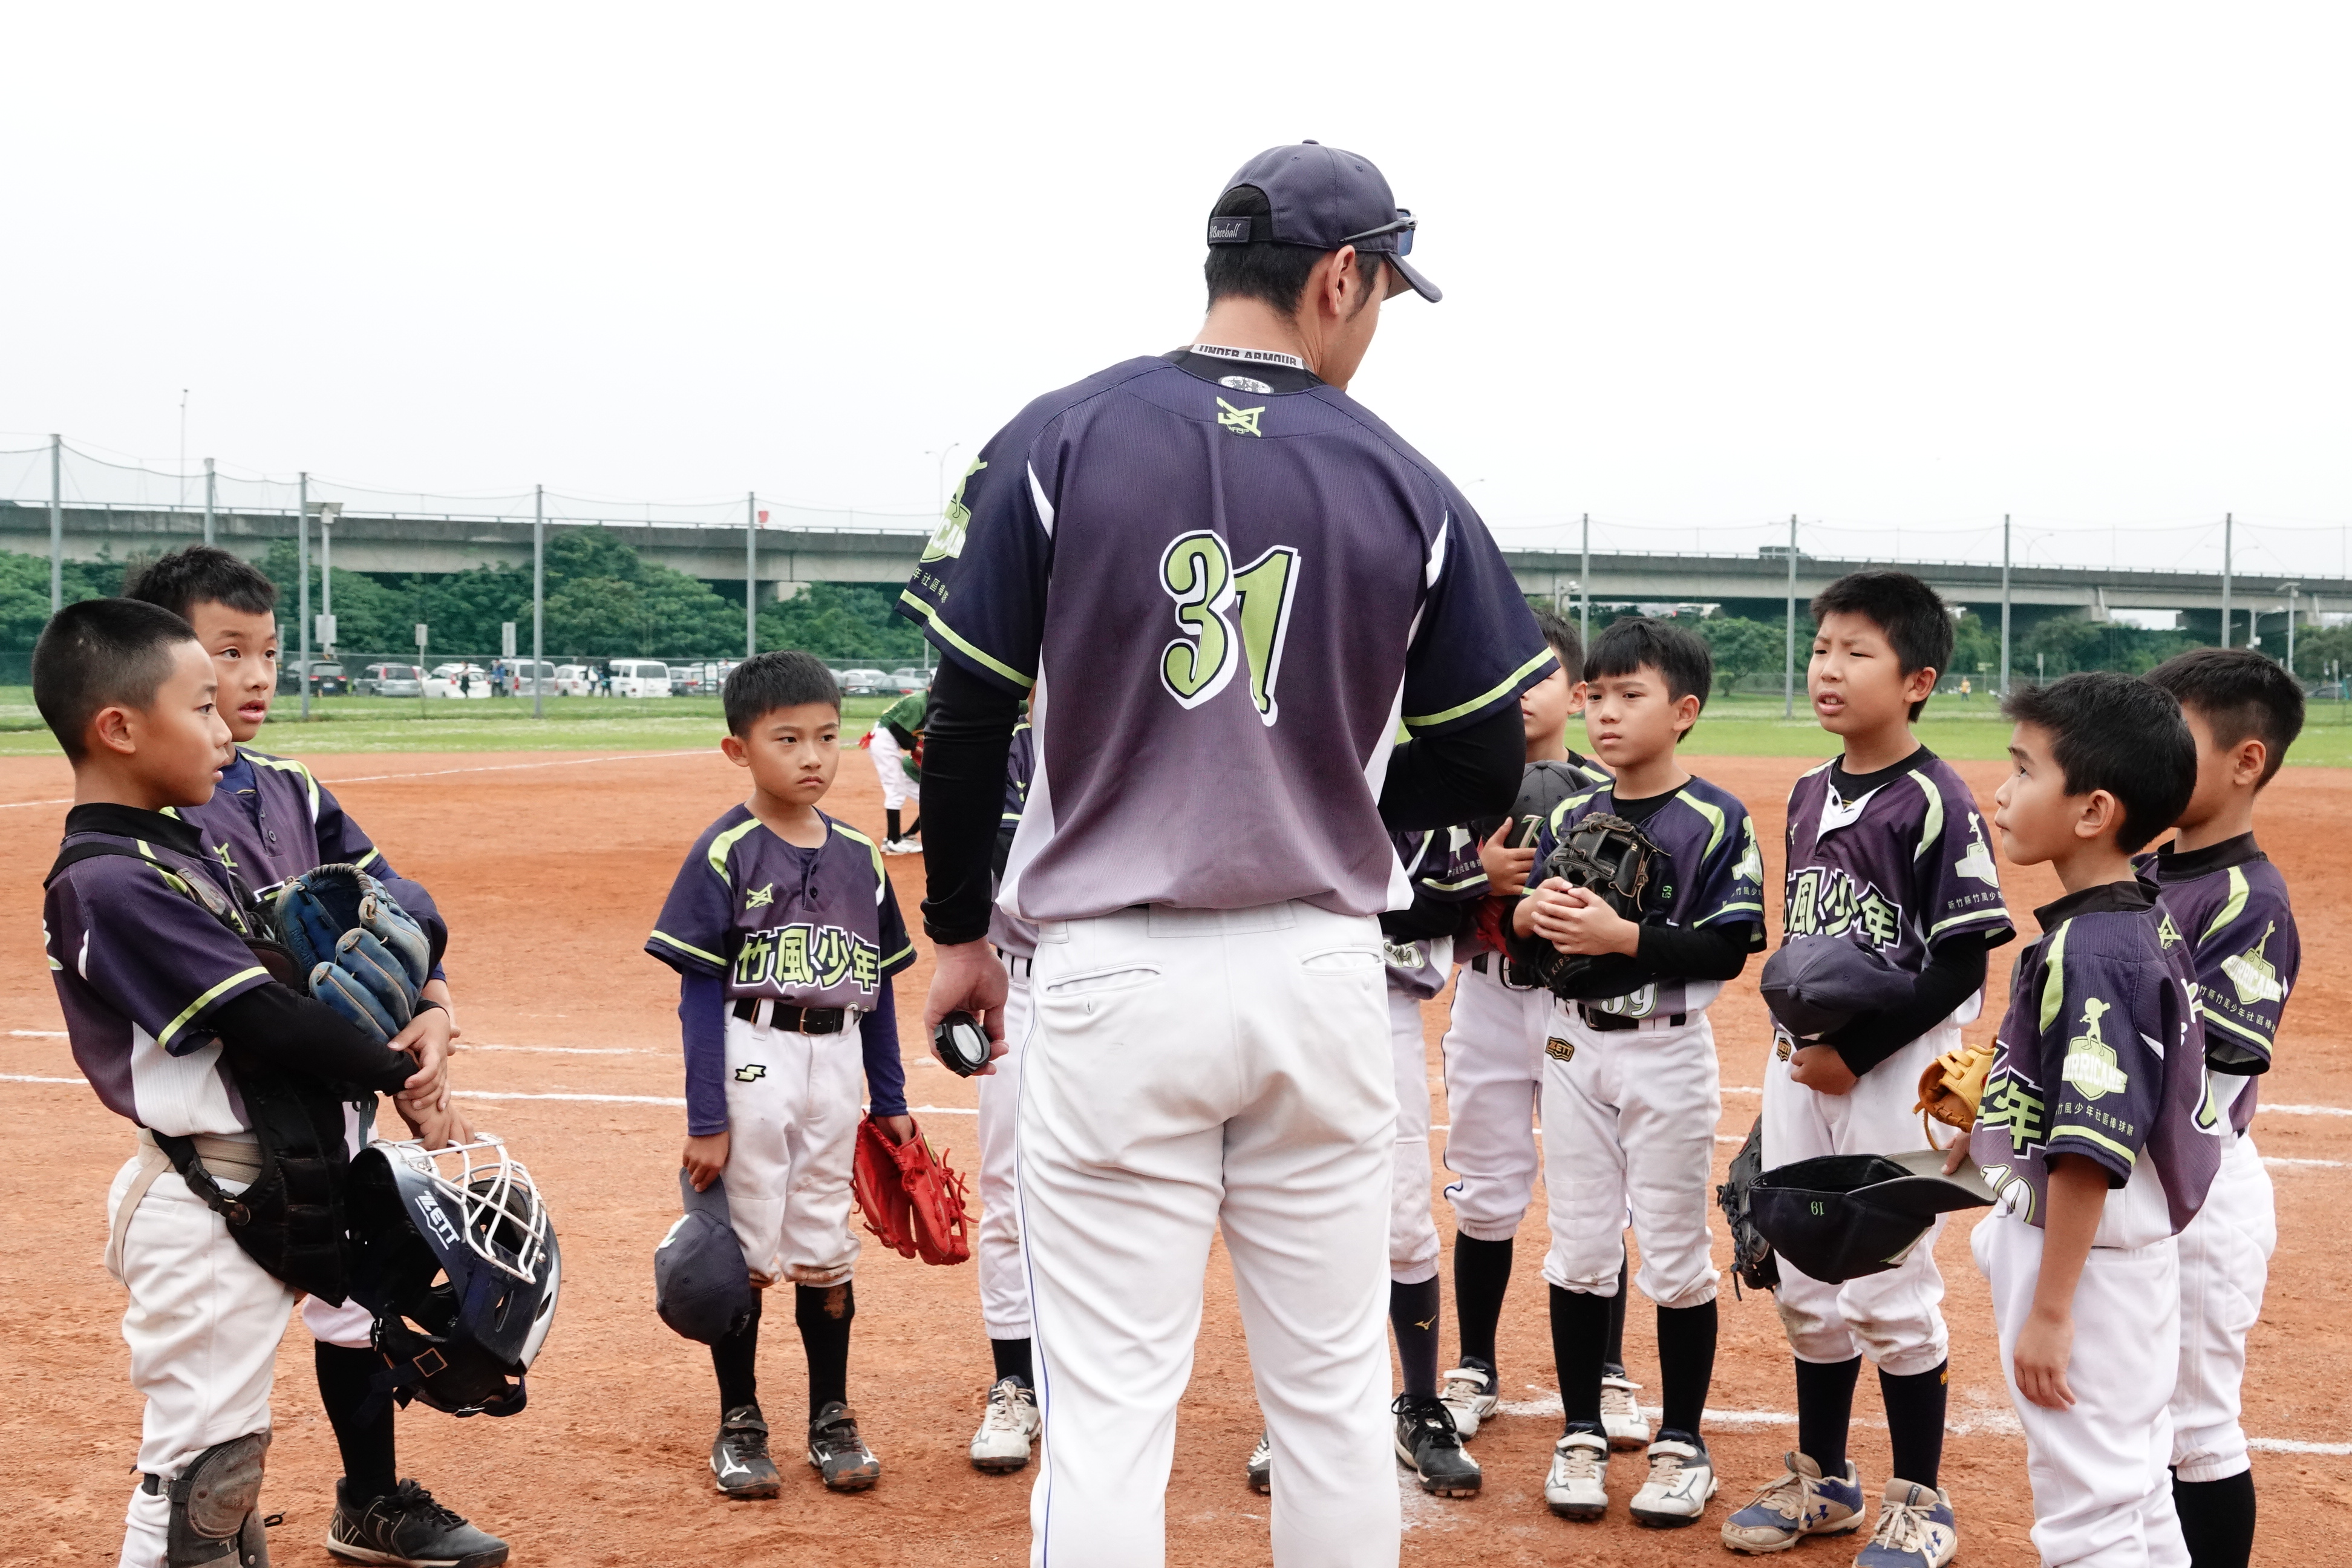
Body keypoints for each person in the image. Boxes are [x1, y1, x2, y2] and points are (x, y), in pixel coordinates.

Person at [901, 142, 1549, 1565]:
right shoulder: (1405, 477)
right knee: (1330, 1402)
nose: (1372, 326)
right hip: (1321, 969)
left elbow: (964, 717)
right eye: (1382, 295)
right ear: (1339, 279)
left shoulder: (1057, 436)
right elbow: (1487, 759)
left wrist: (957, 934)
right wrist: (1339, 808)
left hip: (1109, 971)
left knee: (1109, 1412)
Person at [32, 598, 453, 1568]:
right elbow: (265, 1018)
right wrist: (401, 1071)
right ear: (120, 728)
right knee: (197, 1475)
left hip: (271, 1179)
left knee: (226, 1474)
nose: (227, 730)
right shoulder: (109, 878)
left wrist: (423, 1003)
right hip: (208, 1195)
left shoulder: (179, 849)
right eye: (201, 707)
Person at [119, 546, 506, 1567]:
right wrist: (396, 1070)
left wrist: (434, 1009)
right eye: (226, 653)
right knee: (209, 1415)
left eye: (268, 652)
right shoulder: (151, 814)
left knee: (359, 1308)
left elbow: (399, 911)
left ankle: (368, 1502)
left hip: (335, 1114)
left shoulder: (292, 789)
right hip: (240, 1140)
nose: (254, 678)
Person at [1727, 570, 2016, 1568]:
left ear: (1917, 680)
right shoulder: (1808, 790)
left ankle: (1919, 1499)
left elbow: (1961, 964)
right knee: (1804, 1274)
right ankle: (1826, 1479)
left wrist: (1853, 1056)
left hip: (1896, 1068)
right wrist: (1805, 1059)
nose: (1829, 669)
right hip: (1804, 1063)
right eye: (1821, 649)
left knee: (1889, 1284)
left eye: (1857, 652)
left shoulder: (1935, 800)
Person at [1508, 617, 1766, 1527]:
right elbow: (1529, 938)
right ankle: (1581, 1430)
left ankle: (1682, 1443)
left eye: (1631, 695)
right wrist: (1528, 917)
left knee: (1675, 1252)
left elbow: (1729, 946)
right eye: (1597, 696)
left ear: (1683, 712)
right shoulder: (1570, 816)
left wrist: (1623, 937)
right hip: (1572, 1045)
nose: (1606, 713)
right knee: (1580, 1247)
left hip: (1666, 1049)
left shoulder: (1717, 818)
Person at [644, 650, 918, 1497]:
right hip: (753, 1051)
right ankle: (740, 1420)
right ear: (740, 750)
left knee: (826, 1239)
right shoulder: (725, 850)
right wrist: (706, 1119)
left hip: (838, 1056)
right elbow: (698, 995)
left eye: (828, 737)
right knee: (746, 1245)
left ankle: (831, 1414)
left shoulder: (862, 855)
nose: (813, 757)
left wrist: (891, 1099)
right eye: (788, 739)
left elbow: (879, 989)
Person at [1958, 671, 2212, 1568]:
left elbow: (2090, 1151)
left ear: (2095, 811)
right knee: (2135, 1493)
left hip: (2085, 1263)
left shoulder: (2092, 949)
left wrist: (2053, 1311)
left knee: (2086, 1518)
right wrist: (1992, 1110)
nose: (2001, 792)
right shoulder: (2136, 916)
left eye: (2025, 770)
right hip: (2125, 1258)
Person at [1431, 608, 1639, 1451]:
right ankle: (1474, 1365)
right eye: (1500, 674)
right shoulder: (1457, 789)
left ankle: (1610, 1370)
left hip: (1570, 1008)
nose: (1517, 691)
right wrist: (1476, 883)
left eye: (1538, 673)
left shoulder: (1611, 791)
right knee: (1485, 1186)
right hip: (1485, 999)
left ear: (1578, 694)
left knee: (1595, 1190)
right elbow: (1418, 903)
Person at [2141, 650, 2304, 1568]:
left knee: (2195, 1429)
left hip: (2197, 1190)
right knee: (2133, 1415)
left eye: (2174, 738)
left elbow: (2213, 1088)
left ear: (2246, 761)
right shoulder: (2146, 870)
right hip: (2135, 1176)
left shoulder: (2249, 898)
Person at [969, 713, 1044, 1474]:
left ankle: (1096, 1380)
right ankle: (1015, 1381)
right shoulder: (1007, 749)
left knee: (1143, 1189)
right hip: (1020, 987)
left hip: (1132, 983)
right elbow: (991, 850)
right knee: (1007, 1190)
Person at [867, 687, 926, 852]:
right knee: (895, 790)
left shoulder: (928, 703)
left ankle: (903, 837)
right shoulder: (919, 702)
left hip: (889, 741)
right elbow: (896, 729)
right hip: (885, 740)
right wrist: (916, 748)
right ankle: (893, 841)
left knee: (926, 798)